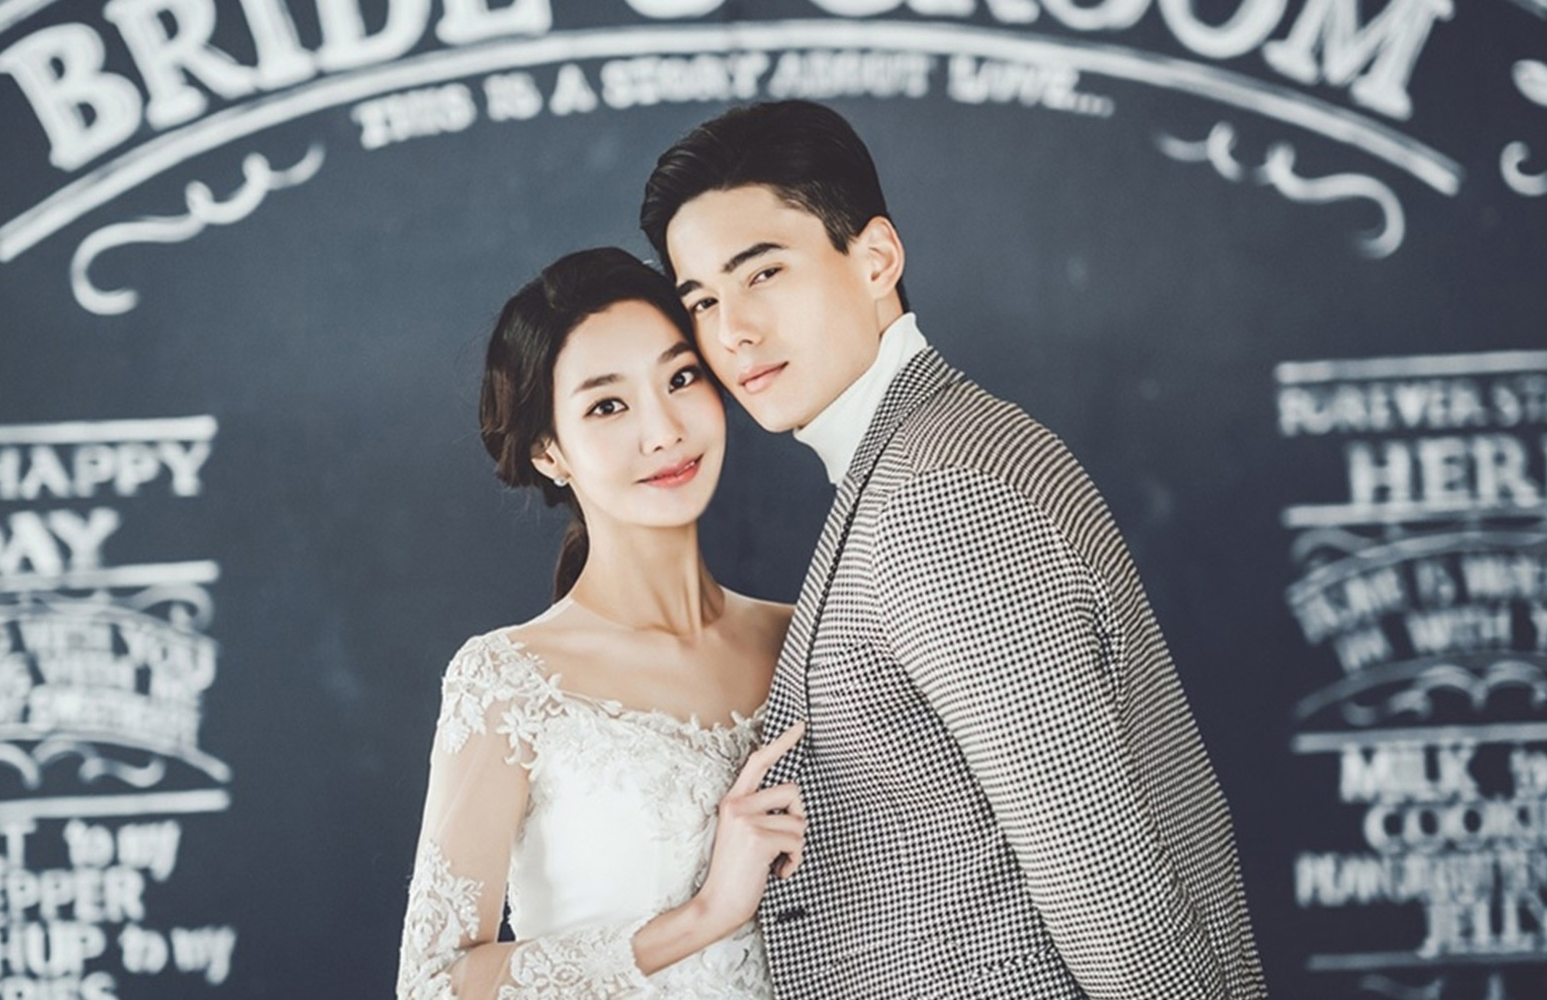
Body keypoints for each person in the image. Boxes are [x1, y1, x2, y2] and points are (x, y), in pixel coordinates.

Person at [640, 100, 1269, 1000]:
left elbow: (1106, 886)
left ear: (876, 259)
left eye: (763, 272)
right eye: (701, 299)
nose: (730, 330)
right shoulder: (930, 450)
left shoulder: (941, 495)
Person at [394, 247, 805, 1000]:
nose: (663, 430)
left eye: (681, 378)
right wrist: (705, 914)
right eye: (608, 406)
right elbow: (433, 983)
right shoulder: (509, 682)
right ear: (549, 451)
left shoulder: (806, 638)